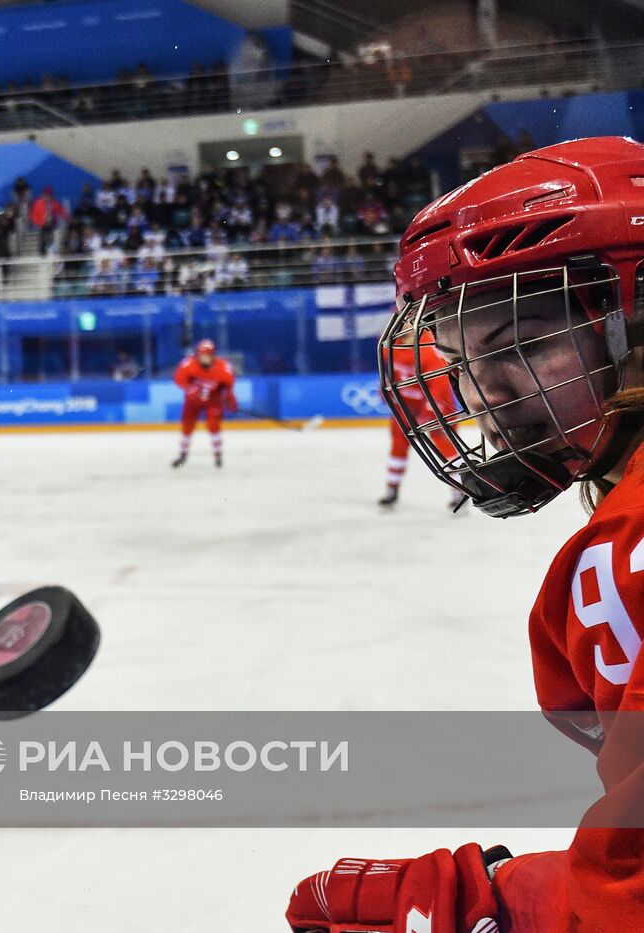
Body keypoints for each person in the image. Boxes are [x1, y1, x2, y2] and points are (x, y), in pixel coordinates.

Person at [287, 136, 644, 932]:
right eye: (463, 361)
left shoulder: (629, 551)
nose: (485, 395)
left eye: (517, 343)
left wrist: (493, 904)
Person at [377, 336, 466, 510]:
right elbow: (389, 375)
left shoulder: (428, 349)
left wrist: (430, 411)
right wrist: (385, 389)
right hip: (405, 405)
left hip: (434, 406)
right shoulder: (389, 346)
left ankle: (459, 489)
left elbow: (439, 386)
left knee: (445, 447)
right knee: (398, 445)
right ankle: (392, 488)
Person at [171, 338, 235, 468]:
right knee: (187, 426)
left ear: (213, 355)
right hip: (192, 401)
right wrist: (193, 390)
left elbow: (228, 385)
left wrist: (229, 397)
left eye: (207, 355)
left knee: (213, 425)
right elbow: (179, 380)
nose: (204, 357)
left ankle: (218, 456)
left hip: (213, 401)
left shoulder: (223, 367)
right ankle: (183, 455)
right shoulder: (188, 365)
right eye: (201, 354)